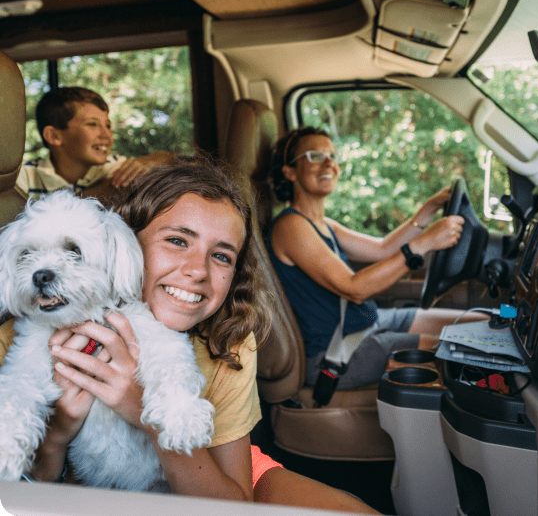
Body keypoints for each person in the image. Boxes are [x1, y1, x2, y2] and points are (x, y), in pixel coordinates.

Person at [0, 156, 379, 513]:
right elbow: (27, 485)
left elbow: (230, 505)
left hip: (212, 465)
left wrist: (144, 412)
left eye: (221, 255)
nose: (197, 270)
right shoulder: (28, 335)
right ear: (129, 242)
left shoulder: (228, 337)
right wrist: (57, 432)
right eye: (178, 241)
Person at [268, 127, 485, 389]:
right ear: (289, 171)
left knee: (480, 324)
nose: (329, 163)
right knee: (465, 349)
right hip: (337, 352)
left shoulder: (323, 224)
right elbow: (355, 288)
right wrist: (424, 243)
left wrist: (427, 211)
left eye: (332, 156)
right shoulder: (290, 226)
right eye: (315, 156)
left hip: (367, 323)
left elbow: (383, 248)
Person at [15, 86, 174, 201]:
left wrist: (155, 159)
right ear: (54, 136)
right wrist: (104, 190)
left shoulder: (116, 169)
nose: (107, 135)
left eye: (108, 126)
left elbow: (172, 161)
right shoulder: (23, 178)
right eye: (92, 124)